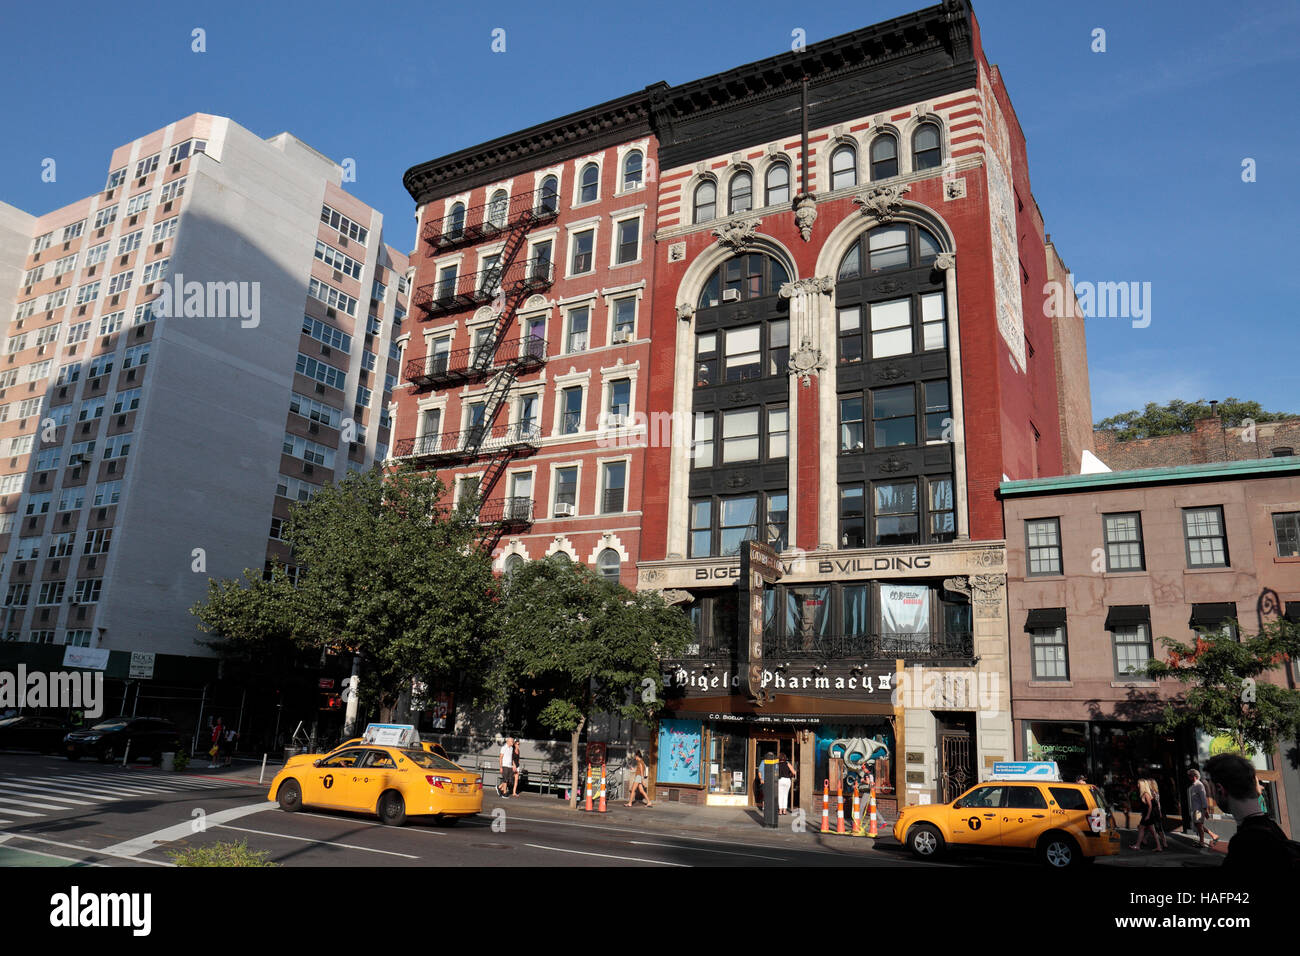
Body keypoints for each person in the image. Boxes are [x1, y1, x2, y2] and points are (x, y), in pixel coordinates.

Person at [1205, 753, 1295, 868]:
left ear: (1220, 789)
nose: (1212, 796)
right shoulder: (1273, 829)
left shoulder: (1245, 843)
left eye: (1211, 789)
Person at [1187, 768, 1220, 847]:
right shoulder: (1194, 786)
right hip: (1196, 810)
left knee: (1199, 825)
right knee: (1198, 825)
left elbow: (1203, 798)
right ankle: (1213, 835)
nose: (1188, 778)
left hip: (1199, 810)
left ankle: (1202, 842)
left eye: (1189, 776)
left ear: (1194, 776)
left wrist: (1205, 811)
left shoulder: (1199, 785)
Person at [1131, 777, 1166, 852]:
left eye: (1138, 784)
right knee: (1147, 830)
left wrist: (1147, 815)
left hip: (1148, 814)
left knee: (1143, 829)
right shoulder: (1144, 793)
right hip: (1147, 814)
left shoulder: (1146, 793)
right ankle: (1158, 846)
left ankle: (1138, 845)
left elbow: (1150, 806)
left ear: (1142, 785)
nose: (1137, 785)